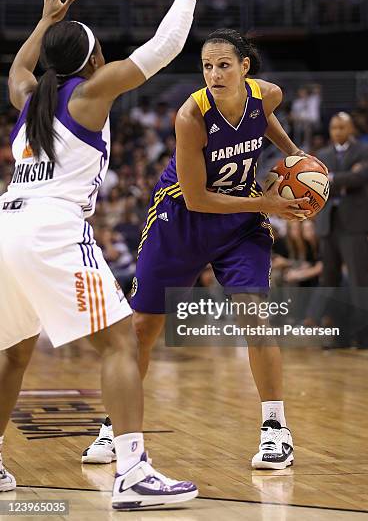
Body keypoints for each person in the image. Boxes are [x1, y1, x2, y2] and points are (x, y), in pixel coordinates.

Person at [0, 0, 220, 510]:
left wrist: (44, 22)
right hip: (50, 228)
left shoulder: (31, 98)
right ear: (93, 57)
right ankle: (132, 472)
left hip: (6, 226)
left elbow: (18, 70)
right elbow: (167, 46)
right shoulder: (90, 92)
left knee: (12, 353)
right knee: (120, 344)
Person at [84, 28, 327, 471]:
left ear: (244, 68)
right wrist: (268, 203)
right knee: (142, 328)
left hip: (239, 222)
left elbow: (263, 117)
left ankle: (276, 430)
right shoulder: (191, 115)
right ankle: (113, 428)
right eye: (207, 66)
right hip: (182, 218)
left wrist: (294, 153)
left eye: (223, 65)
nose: (214, 74)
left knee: (255, 313)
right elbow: (198, 198)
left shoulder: (267, 94)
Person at [314, 112, 368, 348]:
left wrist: (331, 178)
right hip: (328, 224)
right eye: (333, 127)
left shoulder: (365, 150)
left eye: (342, 127)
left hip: (354, 224)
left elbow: (360, 177)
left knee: (359, 280)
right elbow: (317, 184)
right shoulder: (322, 155)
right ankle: (338, 335)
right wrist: (343, 178)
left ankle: (364, 334)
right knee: (329, 281)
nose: (337, 132)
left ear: (351, 129)